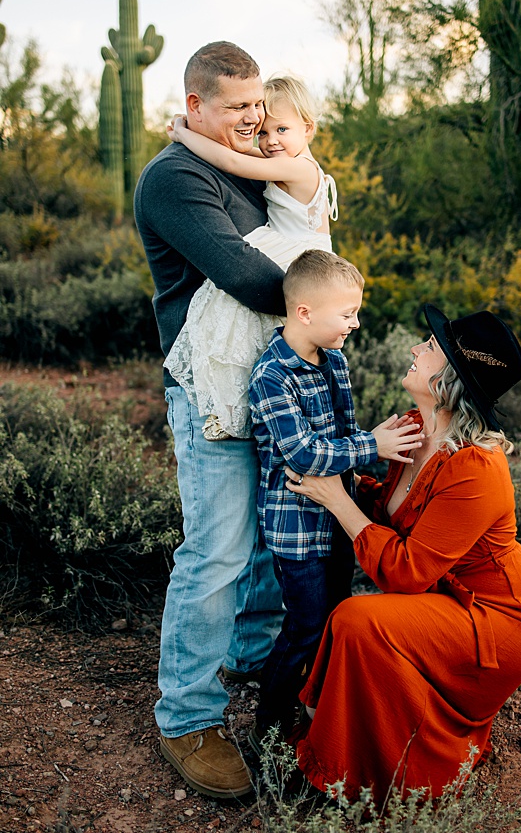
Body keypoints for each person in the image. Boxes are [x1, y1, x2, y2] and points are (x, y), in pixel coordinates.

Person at [284, 304, 521, 806]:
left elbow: (407, 572)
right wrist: (345, 475)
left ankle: (341, 777)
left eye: (430, 348)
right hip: (453, 600)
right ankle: (342, 745)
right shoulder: (415, 427)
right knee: (359, 624)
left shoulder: (477, 466)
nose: (415, 348)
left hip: (501, 620)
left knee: (360, 621)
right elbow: (389, 510)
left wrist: (337, 500)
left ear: (451, 377)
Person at [135, 41, 284, 799]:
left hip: (269, 378)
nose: (253, 119)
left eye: (258, 104)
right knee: (219, 545)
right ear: (196, 107)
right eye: (236, 108)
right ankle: (187, 714)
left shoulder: (246, 160)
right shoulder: (174, 178)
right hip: (208, 388)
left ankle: (248, 657)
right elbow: (249, 275)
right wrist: (325, 296)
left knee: (264, 533)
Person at [246, 250, 422, 749]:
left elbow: (343, 434)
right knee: (304, 625)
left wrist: (374, 441)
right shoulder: (272, 376)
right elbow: (301, 453)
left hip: (337, 520)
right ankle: (270, 729)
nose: (356, 323)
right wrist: (372, 445)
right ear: (304, 312)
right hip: (296, 527)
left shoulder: (335, 361)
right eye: (347, 314)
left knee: (338, 615)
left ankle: (323, 708)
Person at [165, 74, 338, 441]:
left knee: (226, 306)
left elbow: (232, 160)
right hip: (288, 248)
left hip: (298, 254)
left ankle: (226, 407)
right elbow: (239, 151)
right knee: (240, 319)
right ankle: (231, 405)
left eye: (282, 130)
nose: (270, 140)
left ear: (308, 128)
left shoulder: (300, 167)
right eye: (263, 132)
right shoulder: (285, 156)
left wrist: (182, 134)